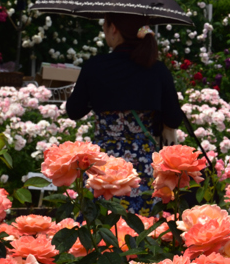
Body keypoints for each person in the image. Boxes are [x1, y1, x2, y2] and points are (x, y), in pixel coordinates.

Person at [66, 13, 184, 213]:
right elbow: (174, 118)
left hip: (104, 165)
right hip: (144, 166)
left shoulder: (96, 66)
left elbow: (74, 110)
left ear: (113, 28)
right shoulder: (156, 69)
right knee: (144, 227)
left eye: (105, 26)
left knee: (102, 225)